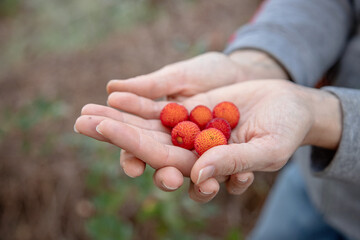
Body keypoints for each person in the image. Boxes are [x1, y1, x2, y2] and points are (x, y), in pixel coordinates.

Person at [74, 0, 360, 239]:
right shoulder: (198, 124)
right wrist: (259, 62)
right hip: (317, 186)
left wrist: (323, 116)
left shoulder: (209, 127)